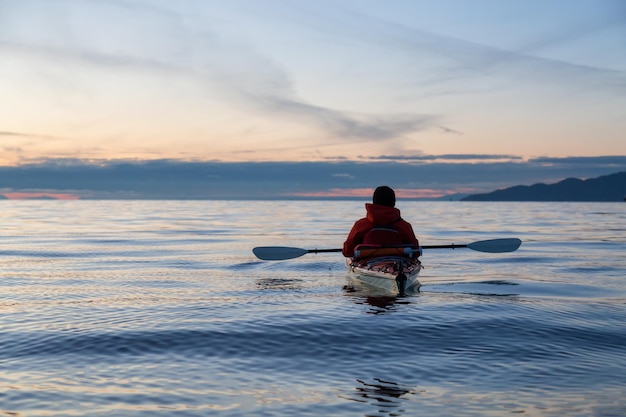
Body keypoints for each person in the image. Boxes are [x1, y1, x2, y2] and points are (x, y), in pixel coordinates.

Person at [342, 186, 419, 257]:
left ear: (374, 201)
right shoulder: (404, 226)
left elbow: (347, 252)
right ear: (393, 202)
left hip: (367, 265)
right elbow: (416, 252)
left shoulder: (361, 225)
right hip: (398, 265)